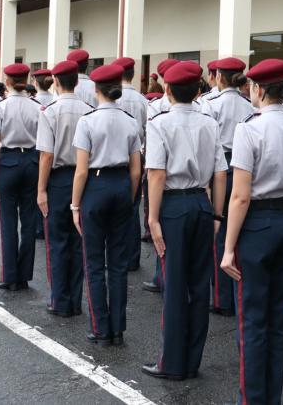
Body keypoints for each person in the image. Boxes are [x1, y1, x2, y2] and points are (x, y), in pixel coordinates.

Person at [218, 59, 283, 405]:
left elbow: (240, 195)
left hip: (257, 225)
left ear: (257, 89)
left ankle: (252, 399)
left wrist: (228, 248)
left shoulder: (250, 129)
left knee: (253, 322)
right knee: (277, 319)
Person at [138, 61, 227, 380]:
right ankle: (192, 359)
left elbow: (158, 174)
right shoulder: (209, 122)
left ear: (167, 90)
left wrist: (152, 217)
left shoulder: (161, 122)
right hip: (202, 204)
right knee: (199, 284)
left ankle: (172, 363)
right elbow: (220, 172)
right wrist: (216, 212)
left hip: (174, 205)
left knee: (175, 285)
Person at [70, 63, 141, 345]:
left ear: (96, 90)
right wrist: (131, 196)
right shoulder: (130, 120)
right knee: (118, 262)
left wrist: (75, 205)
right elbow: (137, 170)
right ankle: (118, 327)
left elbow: (82, 170)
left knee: (95, 261)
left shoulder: (87, 121)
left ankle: (101, 328)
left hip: (96, 186)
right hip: (122, 183)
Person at [37, 60, 92, 316]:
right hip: (85, 178)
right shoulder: (90, 110)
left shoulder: (49, 111)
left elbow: (46, 156)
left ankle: (60, 301)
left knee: (57, 242)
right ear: (77, 82)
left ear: (56, 83)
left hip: (59, 180)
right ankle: (75, 300)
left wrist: (41, 190)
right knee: (78, 240)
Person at [200, 57, 252, 316]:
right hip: (245, 169)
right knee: (240, 229)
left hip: (219, 166)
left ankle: (221, 298)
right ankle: (237, 290)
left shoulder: (210, 103)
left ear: (219, 77)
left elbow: (207, 141)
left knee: (219, 229)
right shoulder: (249, 104)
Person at [0, 63, 41, 291]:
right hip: (31, 161)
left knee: (7, 222)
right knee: (29, 222)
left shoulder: (0, 107)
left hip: (8, 162)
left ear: (7, 81)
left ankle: (9, 275)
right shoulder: (37, 107)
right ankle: (24, 275)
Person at [113, 56, 149, 271]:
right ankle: (132, 257)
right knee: (132, 207)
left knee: (113, 209)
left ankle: (116, 255)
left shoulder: (113, 97)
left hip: (112, 158)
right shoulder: (143, 100)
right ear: (133, 74)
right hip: (137, 154)